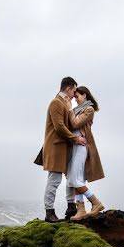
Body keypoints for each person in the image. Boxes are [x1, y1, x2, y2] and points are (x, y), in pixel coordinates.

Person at [42, 77, 87, 222]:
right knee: (54, 180)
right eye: (74, 90)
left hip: (65, 147)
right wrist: (76, 139)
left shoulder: (66, 103)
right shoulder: (56, 102)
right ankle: (49, 212)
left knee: (70, 178)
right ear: (68, 89)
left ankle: (71, 207)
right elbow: (59, 127)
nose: (75, 93)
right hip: (56, 147)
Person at [67, 86, 105, 221]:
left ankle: (96, 202)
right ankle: (81, 210)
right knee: (76, 180)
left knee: (74, 179)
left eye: (77, 96)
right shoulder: (77, 110)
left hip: (82, 147)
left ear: (84, 95)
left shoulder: (89, 109)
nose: (75, 100)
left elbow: (75, 124)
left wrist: (69, 111)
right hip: (75, 146)